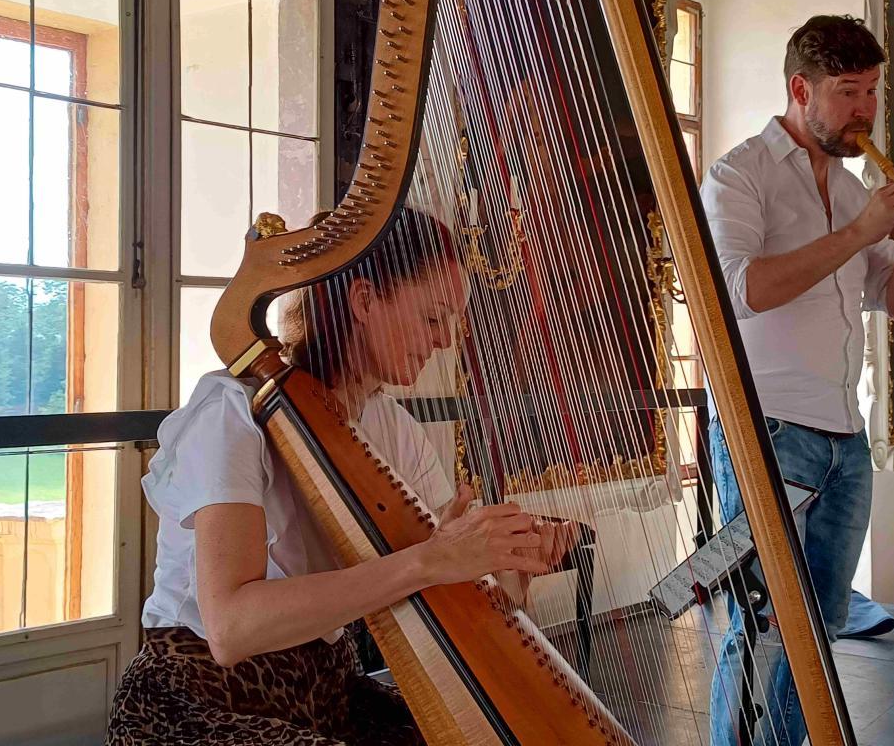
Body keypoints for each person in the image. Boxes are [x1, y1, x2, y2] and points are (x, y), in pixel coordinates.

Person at [109, 206, 571, 746]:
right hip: (199, 699)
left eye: (452, 321)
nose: (447, 340)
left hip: (324, 692)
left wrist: (506, 571)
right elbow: (232, 629)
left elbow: (444, 599)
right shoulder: (231, 415)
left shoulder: (390, 425)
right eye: (432, 317)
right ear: (365, 301)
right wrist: (431, 557)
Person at [700, 15, 894, 746]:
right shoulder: (738, 173)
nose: (865, 110)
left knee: (824, 627)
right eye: (847, 92)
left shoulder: (850, 182)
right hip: (765, 431)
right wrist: (866, 229)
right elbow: (742, 290)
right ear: (801, 89)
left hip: (845, 439)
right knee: (766, 626)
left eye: (871, 91)